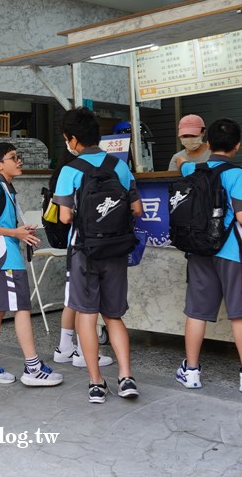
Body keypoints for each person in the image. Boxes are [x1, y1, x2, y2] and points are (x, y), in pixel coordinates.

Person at [175, 118, 242, 393]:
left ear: (207, 144)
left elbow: (182, 165)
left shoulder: (192, 168)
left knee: (196, 311)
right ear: (237, 145)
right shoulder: (237, 174)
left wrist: (185, 163)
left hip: (199, 248)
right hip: (230, 251)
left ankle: (191, 372)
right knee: (239, 313)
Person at [53, 107, 143, 403]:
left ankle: (96, 383)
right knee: (114, 316)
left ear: (73, 139)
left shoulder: (69, 171)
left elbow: (65, 217)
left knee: (87, 316)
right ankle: (126, 378)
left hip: (84, 251)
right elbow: (137, 209)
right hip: (116, 249)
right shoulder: (119, 166)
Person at [0, 142, 62, 388]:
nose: (19, 161)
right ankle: (33, 367)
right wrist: (16, 233)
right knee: (21, 308)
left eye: (18, 156)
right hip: (6, 258)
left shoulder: (6, 187)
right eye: (13, 157)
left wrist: (20, 231)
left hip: (4, 256)